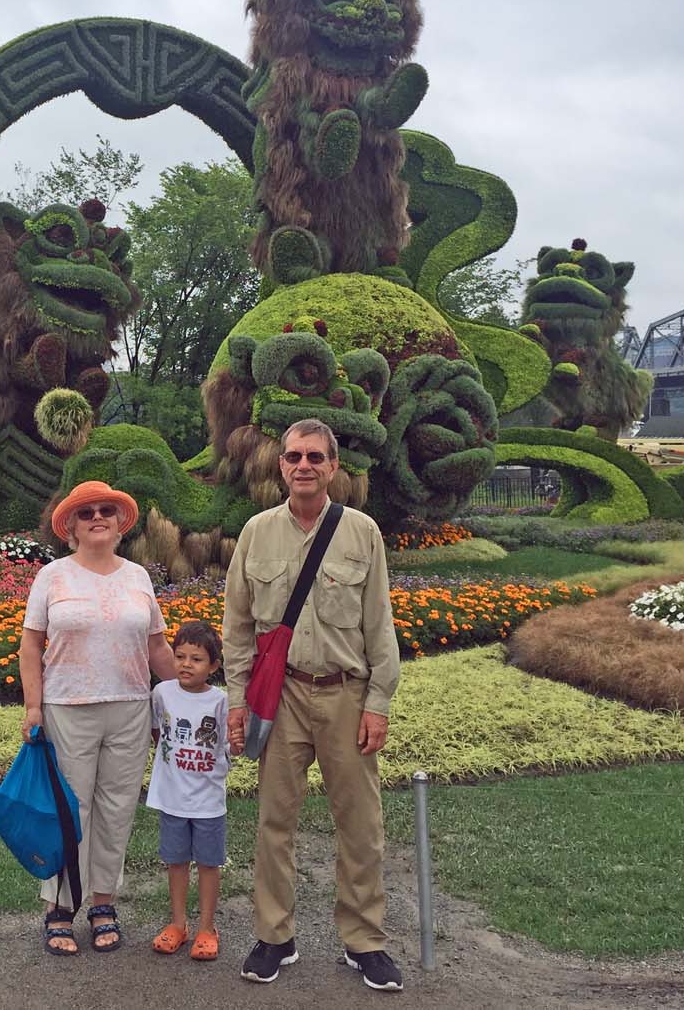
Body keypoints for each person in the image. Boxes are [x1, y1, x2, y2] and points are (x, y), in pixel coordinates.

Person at [223, 418, 404, 991]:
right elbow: (237, 627)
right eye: (295, 456)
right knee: (275, 822)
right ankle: (275, 936)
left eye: (315, 457)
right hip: (281, 698)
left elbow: (379, 623)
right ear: (281, 465)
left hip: (346, 694)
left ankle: (364, 940)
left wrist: (378, 702)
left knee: (360, 825)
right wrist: (236, 701)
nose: (304, 465)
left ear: (332, 467)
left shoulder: (361, 532)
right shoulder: (256, 533)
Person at [20, 479, 176, 957]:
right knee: (72, 811)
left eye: (106, 510)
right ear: (71, 526)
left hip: (130, 708)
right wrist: (33, 706)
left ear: (119, 522)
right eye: (86, 513)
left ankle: (103, 903)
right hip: (68, 708)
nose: (97, 518)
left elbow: (156, 646)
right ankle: (60, 907)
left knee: (116, 810)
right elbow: (31, 645)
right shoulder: (53, 576)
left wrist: (185, 696)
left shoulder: (137, 577)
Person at [147, 620, 236, 963]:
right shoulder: (162, 693)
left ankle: (207, 928)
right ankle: (178, 924)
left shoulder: (221, 702)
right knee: (176, 862)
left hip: (208, 803)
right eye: (180, 656)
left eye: (196, 659)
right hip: (172, 800)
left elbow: (231, 746)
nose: (186, 664)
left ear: (214, 666)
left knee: (209, 864)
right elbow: (158, 731)